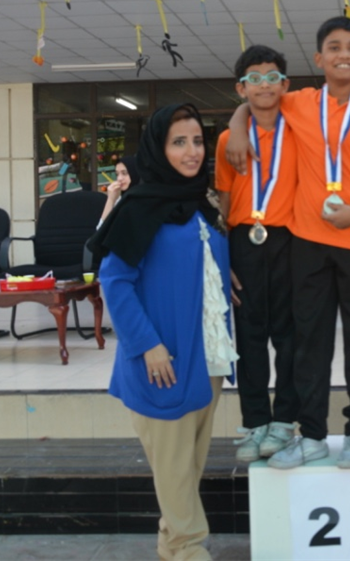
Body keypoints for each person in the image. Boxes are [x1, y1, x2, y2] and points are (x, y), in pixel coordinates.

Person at [226, 17, 350, 470]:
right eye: (334, 47)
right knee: (310, 343)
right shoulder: (299, 102)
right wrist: (238, 126)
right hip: (308, 242)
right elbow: (254, 99)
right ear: (319, 58)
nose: (344, 54)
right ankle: (314, 434)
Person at [92, 103, 236, 561]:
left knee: (186, 468)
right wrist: (147, 345)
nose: (192, 152)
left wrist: (221, 269)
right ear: (158, 148)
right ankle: (190, 549)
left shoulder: (200, 203)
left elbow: (199, 255)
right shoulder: (139, 208)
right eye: (179, 142)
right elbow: (115, 281)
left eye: (197, 141)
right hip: (162, 361)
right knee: (174, 470)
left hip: (206, 356)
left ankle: (171, 547)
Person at [215, 45, 300, 463]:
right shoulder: (227, 141)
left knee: (289, 336)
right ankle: (255, 422)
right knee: (249, 337)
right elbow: (225, 202)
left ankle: (284, 420)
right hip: (244, 240)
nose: (263, 85)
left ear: (285, 85)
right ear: (241, 88)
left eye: (272, 77)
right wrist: (227, 255)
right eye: (254, 78)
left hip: (289, 240)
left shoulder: (300, 128)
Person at [99, 155, 139, 226]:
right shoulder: (120, 200)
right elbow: (101, 229)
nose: (119, 178)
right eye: (117, 174)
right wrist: (111, 199)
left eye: (124, 173)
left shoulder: (144, 200)